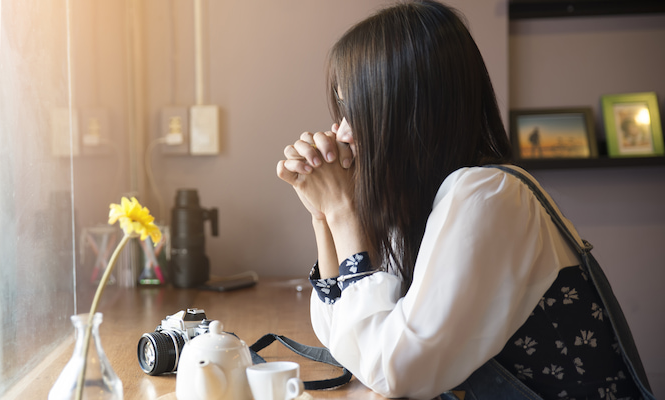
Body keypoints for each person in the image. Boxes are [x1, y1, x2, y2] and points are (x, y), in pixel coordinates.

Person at [276, 1, 650, 399]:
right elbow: (345, 341)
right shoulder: (425, 204)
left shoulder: (488, 196)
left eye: (355, 108)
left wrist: (341, 209)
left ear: (407, 109)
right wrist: (324, 217)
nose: (342, 131)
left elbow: (395, 373)